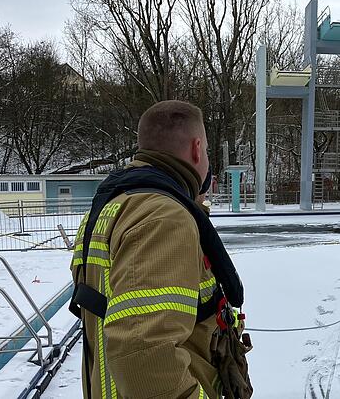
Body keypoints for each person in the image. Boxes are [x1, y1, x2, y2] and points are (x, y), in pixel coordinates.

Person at [69, 100, 251, 399]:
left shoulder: (111, 208)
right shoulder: (163, 217)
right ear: (196, 149)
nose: (206, 159)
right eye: (206, 151)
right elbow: (144, 353)